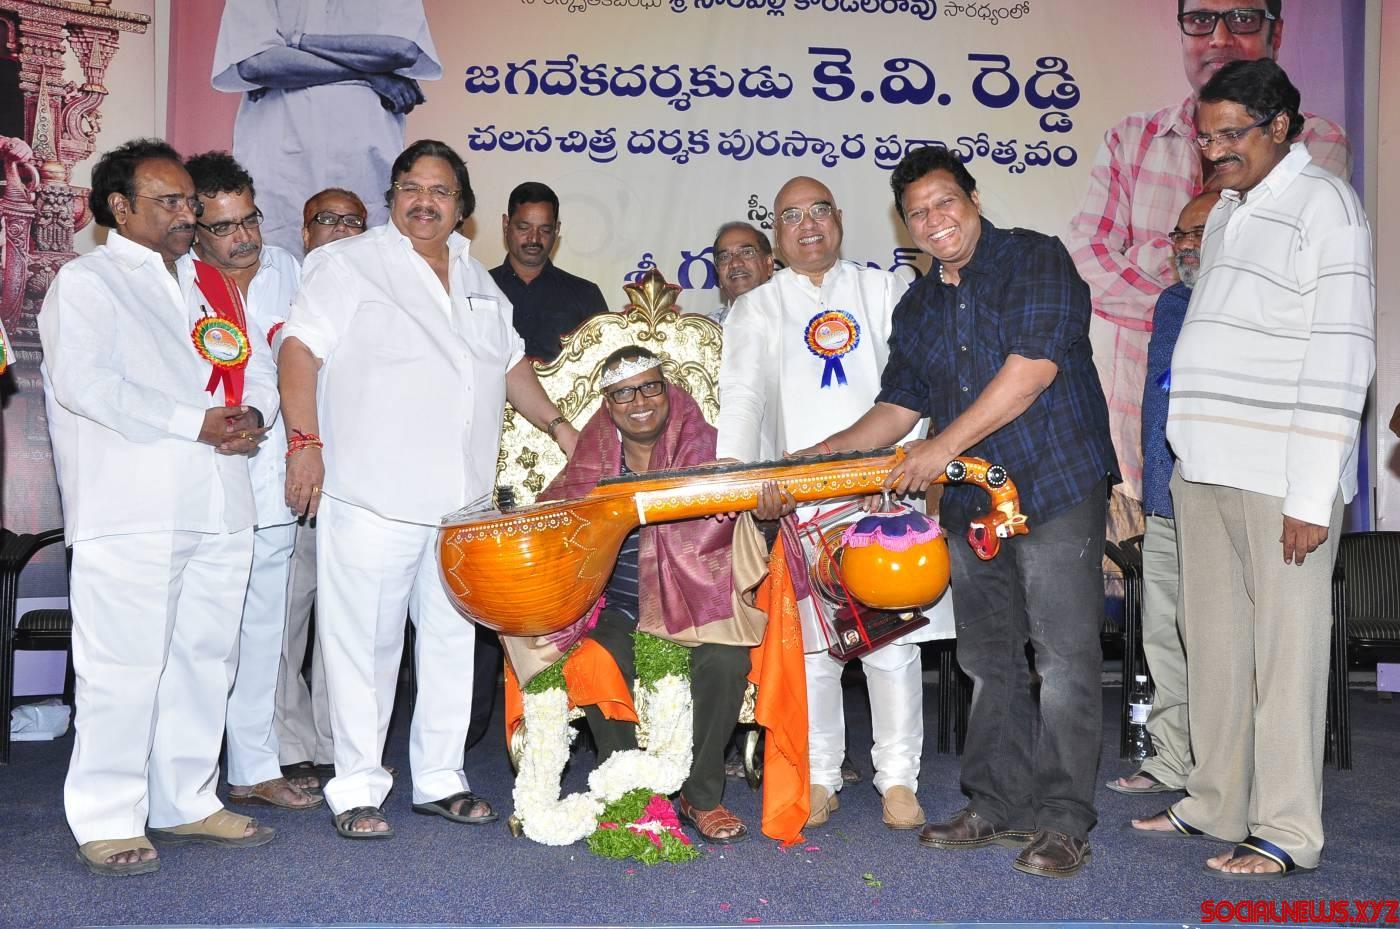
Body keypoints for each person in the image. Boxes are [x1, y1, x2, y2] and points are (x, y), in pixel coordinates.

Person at [807, 146, 1118, 878]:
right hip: (974, 502)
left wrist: (938, 448)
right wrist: (816, 458)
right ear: (905, 225)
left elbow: (1032, 371)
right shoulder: (918, 304)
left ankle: (1064, 819)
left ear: (974, 200)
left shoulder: (1036, 259)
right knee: (986, 659)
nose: (933, 219)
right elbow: (898, 407)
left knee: (1064, 661)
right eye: (917, 212)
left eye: (945, 201)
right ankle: (997, 802)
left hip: (1054, 485)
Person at [278, 139, 579, 839]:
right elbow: (298, 349)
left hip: (460, 506)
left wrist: (563, 427)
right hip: (373, 496)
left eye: (441, 191)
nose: (424, 201)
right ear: (392, 196)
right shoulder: (347, 263)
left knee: (450, 644)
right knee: (364, 649)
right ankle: (357, 787)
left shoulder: (477, 278)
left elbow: (510, 366)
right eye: (411, 187)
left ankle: (441, 778)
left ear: (462, 208)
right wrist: (304, 443)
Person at [1135, 60, 1374, 880]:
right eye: (1205, 138)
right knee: (1215, 647)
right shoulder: (1231, 210)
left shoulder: (1327, 206)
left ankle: (1286, 828)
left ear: (1279, 126)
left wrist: (1311, 492)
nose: (1213, 152)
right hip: (1203, 467)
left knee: (1286, 656)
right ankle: (1216, 800)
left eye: (1230, 135)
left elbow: (1344, 354)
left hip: (1280, 476)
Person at [39, 139, 279, 875]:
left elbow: (254, 369)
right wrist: (193, 423)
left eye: (190, 203)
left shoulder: (209, 283)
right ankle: (108, 816)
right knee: (124, 666)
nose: (188, 215)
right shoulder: (87, 281)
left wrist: (254, 416)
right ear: (120, 207)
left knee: (205, 659)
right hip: (132, 506)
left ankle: (186, 799)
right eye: (170, 202)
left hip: (220, 499)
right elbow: (87, 384)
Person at [1066, 0, 1350, 541]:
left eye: (1242, 18)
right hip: (1136, 428)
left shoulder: (1315, 142)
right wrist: (1185, 295)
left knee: (1256, 586)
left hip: (1259, 436)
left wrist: (1150, 256)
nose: (1219, 37)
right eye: (1200, 20)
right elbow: (1086, 262)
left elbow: (1263, 256)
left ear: (1276, 33)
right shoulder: (1132, 138)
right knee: (1151, 588)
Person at [716, 175, 935, 832]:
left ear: (838, 218)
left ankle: (899, 779)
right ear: (776, 233)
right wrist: (744, 482)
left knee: (891, 644)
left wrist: (903, 467)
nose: (808, 225)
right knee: (811, 650)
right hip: (798, 502)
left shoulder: (884, 289)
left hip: (884, 494)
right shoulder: (757, 306)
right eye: (791, 216)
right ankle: (819, 775)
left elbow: (919, 387)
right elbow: (743, 399)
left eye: (819, 211)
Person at [503, 346, 791, 843]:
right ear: (608, 404)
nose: (639, 402)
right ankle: (629, 794)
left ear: (668, 390)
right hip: (618, 611)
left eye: (649, 387)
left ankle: (702, 796)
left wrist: (765, 520)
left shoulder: (712, 451)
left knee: (726, 662)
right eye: (623, 394)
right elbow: (551, 526)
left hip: (697, 607)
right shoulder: (591, 462)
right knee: (595, 659)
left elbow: (748, 546)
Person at [185, 151, 319, 812]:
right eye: (224, 226)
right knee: (202, 636)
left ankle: (254, 766)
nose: (244, 237)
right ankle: (181, 773)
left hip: (270, 471)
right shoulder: (179, 280)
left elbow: (286, 364)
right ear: (193, 228)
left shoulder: (290, 272)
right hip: (199, 477)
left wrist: (286, 436)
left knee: (264, 630)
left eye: (250, 219)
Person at [1107, 190, 1219, 797]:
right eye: (1180, 235)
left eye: (1200, 231)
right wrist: (1151, 488)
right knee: (1163, 634)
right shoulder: (1171, 302)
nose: (1187, 245)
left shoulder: (1245, 302)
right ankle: (1171, 759)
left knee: (1215, 639)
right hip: (1164, 497)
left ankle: (1220, 769)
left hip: (1220, 500)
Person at [271, 187, 370, 788]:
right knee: (287, 617)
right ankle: (289, 742)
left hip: (358, 488)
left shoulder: (379, 294)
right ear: (305, 234)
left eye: (352, 221)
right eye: (326, 220)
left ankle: (338, 742)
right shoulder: (283, 291)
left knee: (346, 622)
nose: (339, 229)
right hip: (294, 481)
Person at [211, 1, 440, 254]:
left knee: (366, 264)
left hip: (364, 164)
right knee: (276, 264)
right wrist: (371, 74)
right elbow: (257, 65)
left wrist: (298, 43)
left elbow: (400, 50)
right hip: (281, 167)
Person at [488, 181, 609, 362]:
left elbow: (607, 364)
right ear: (506, 225)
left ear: (557, 230)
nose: (534, 238)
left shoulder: (586, 295)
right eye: (524, 228)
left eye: (545, 230)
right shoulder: (477, 287)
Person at [706, 222, 775, 325]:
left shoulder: (797, 320)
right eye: (724, 257)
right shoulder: (704, 330)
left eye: (746, 252)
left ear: (769, 264)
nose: (735, 263)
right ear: (718, 274)